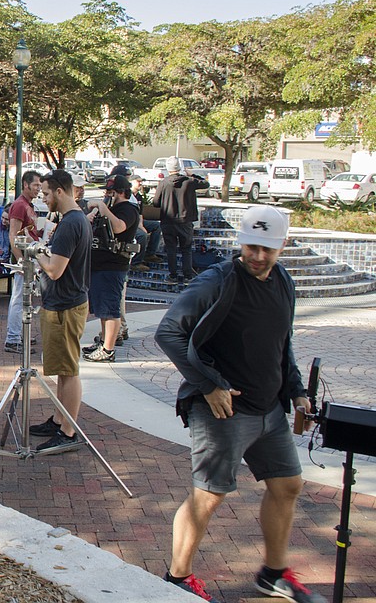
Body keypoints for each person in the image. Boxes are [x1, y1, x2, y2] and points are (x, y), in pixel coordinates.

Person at [156, 206, 324, 603]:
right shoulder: (218, 281)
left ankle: (273, 574)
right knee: (209, 495)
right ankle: (178, 578)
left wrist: (297, 390)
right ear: (240, 242)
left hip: (269, 409)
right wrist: (209, 385)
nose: (258, 256)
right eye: (251, 247)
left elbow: (282, 344)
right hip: (223, 409)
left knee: (287, 485)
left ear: (282, 244)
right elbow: (169, 332)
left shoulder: (283, 281)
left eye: (267, 248)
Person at [28, 170, 92, 453]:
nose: (43, 198)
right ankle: (58, 420)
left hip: (66, 306)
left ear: (60, 192)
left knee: (68, 371)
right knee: (63, 371)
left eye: (45, 193)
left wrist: (35, 251)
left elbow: (54, 270)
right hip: (63, 303)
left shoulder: (70, 223)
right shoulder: (74, 219)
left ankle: (68, 431)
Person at [81, 175, 140, 363]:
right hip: (98, 266)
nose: (106, 195)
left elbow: (120, 227)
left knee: (110, 309)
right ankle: (104, 342)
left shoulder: (129, 209)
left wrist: (104, 208)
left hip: (113, 267)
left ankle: (108, 349)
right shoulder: (110, 210)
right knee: (102, 310)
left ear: (121, 192)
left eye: (110, 192)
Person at [152, 156, 209, 284]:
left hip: (168, 221)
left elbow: (156, 202)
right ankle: (188, 276)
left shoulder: (164, 183)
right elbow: (206, 184)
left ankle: (172, 276)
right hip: (185, 221)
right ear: (180, 167)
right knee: (186, 249)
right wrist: (193, 174)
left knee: (171, 249)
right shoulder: (189, 181)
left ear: (168, 168)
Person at [4, 171, 42, 354]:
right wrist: (20, 259)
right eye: (35, 185)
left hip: (29, 258)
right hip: (24, 259)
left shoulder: (28, 205)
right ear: (25, 185)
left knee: (25, 298)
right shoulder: (19, 205)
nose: (38, 189)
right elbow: (13, 235)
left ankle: (19, 334)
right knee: (19, 298)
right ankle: (13, 338)